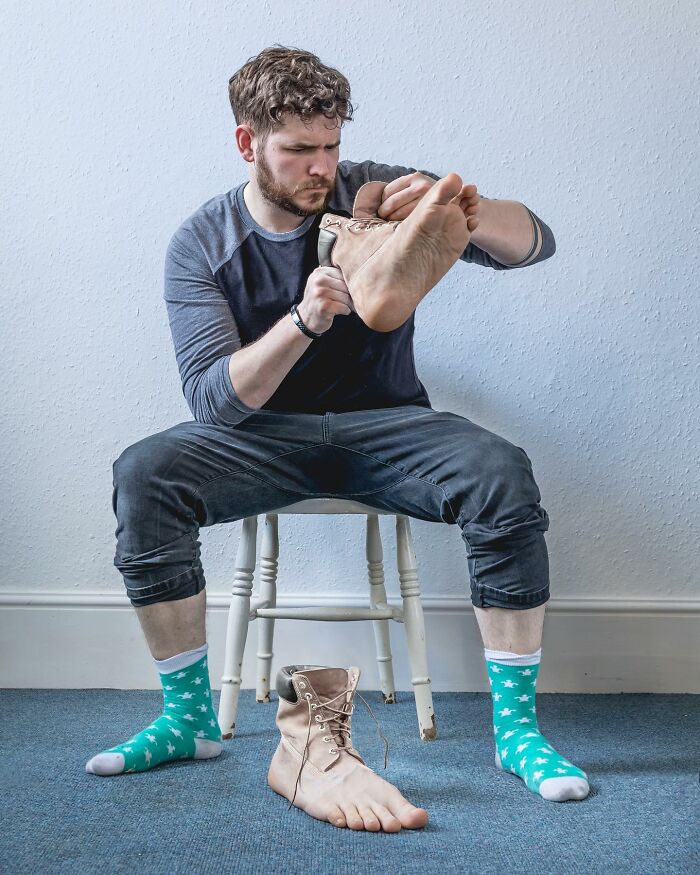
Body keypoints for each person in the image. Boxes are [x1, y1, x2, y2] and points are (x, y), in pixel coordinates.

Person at [85, 44, 590, 828]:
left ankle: (517, 734)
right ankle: (187, 721)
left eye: (330, 147)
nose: (321, 169)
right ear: (248, 143)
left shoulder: (371, 192)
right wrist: (303, 321)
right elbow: (213, 401)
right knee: (145, 472)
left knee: (501, 471)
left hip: (390, 425)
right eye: (298, 151)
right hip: (261, 436)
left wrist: (457, 206)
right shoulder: (203, 243)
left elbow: (538, 242)